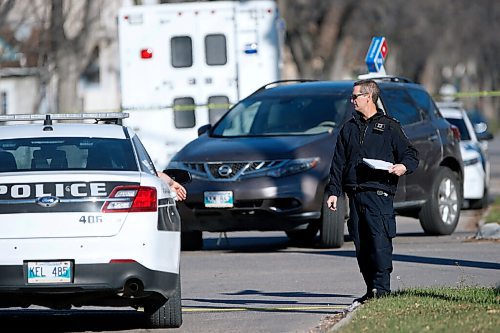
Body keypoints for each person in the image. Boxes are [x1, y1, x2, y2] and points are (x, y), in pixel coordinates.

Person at [326, 79, 419, 310]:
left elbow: (411, 154)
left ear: (369, 97)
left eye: (356, 96)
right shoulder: (349, 128)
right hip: (355, 195)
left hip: (379, 194)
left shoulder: (390, 126)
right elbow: (338, 163)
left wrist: (402, 167)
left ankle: (382, 290)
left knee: (379, 243)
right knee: (362, 245)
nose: (352, 100)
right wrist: (333, 192)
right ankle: (371, 290)